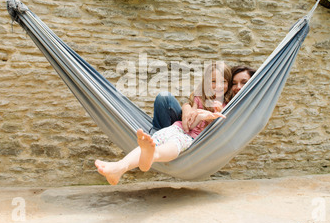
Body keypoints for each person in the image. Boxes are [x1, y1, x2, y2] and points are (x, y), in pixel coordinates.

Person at [95, 63, 233, 185]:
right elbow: (189, 126)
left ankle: (153, 155)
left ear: (228, 83)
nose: (219, 85)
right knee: (153, 140)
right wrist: (199, 116)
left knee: (174, 144)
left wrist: (215, 115)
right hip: (178, 128)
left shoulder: (227, 105)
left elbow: (220, 129)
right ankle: (119, 167)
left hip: (192, 139)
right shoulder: (198, 98)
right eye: (213, 81)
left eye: (224, 81)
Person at [152, 64, 257, 134]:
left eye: (244, 82)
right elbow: (188, 122)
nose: (238, 87)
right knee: (163, 97)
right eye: (234, 83)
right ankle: (158, 137)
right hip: (183, 130)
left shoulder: (231, 104)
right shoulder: (201, 98)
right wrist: (187, 107)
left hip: (199, 137)